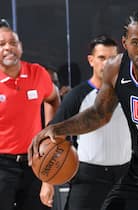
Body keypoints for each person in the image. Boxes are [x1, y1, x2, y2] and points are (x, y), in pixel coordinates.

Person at [29, 11, 138, 210]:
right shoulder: (115, 67)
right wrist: (58, 129)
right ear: (125, 42)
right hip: (137, 171)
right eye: (136, 42)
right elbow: (99, 114)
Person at [41, 35, 132, 210]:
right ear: (91, 60)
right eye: (101, 58)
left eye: (112, 58)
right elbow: (52, 137)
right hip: (88, 176)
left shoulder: (129, 93)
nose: (107, 63)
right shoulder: (77, 96)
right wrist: (47, 182)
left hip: (124, 176)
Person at [0, 21, 60, 210]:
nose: (8, 47)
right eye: (1, 44)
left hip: (35, 161)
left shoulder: (37, 73)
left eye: (13, 42)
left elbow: (53, 99)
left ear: (21, 47)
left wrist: (49, 136)